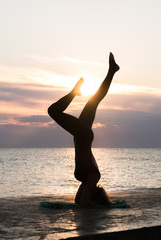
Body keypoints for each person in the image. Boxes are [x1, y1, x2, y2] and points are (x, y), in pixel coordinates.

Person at [48, 52, 120, 205]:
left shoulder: (86, 181)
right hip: (84, 136)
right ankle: (75, 92)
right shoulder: (93, 177)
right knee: (53, 111)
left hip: (82, 136)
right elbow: (85, 204)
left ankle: (112, 70)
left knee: (95, 100)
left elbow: (78, 202)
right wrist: (98, 205)